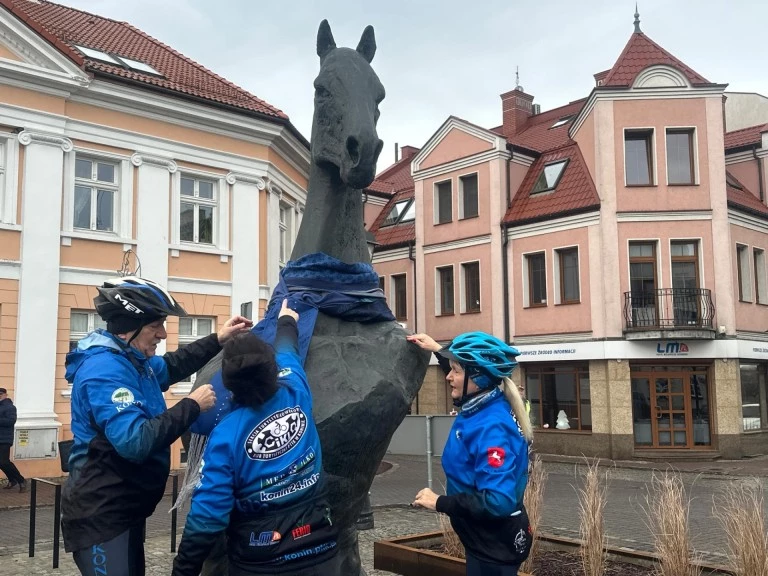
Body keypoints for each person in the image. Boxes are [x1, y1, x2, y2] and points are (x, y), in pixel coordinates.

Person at [62, 276, 252, 576]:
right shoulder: (105, 371)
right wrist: (192, 405)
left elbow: (174, 364)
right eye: (155, 327)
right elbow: (134, 442)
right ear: (128, 329)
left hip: (125, 510)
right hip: (101, 515)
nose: (162, 334)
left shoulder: (133, 361)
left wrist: (218, 339)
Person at [172, 299, 339, 576]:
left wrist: (183, 570)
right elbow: (288, 349)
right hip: (319, 548)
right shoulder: (296, 390)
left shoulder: (225, 435)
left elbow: (207, 516)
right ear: (272, 370)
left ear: (227, 384)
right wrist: (287, 319)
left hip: (262, 560)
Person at [408, 332, 533, 576]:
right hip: (483, 540)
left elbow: (499, 501)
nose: (448, 377)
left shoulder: (491, 428)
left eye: (455, 370)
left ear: (478, 377)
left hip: (494, 546)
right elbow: (467, 377)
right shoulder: (484, 402)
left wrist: (440, 502)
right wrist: (437, 349)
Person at [0, 387, 26, 492]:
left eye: (1, 394)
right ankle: (12, 480)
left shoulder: (10, 407)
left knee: (4, 461)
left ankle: (21, 480)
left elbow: (11, 421)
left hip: (5, 439)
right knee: (1, 462)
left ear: (6, 395)